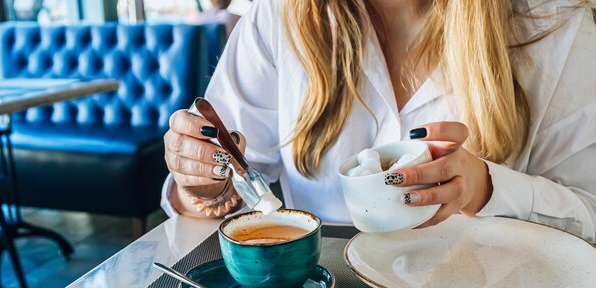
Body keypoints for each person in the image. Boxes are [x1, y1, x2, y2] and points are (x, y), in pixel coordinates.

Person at [162, 0, 596, 241]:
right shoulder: (279, 16)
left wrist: (486, 188)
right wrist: (202, 185)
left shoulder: (555, 25)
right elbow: (227, 189)